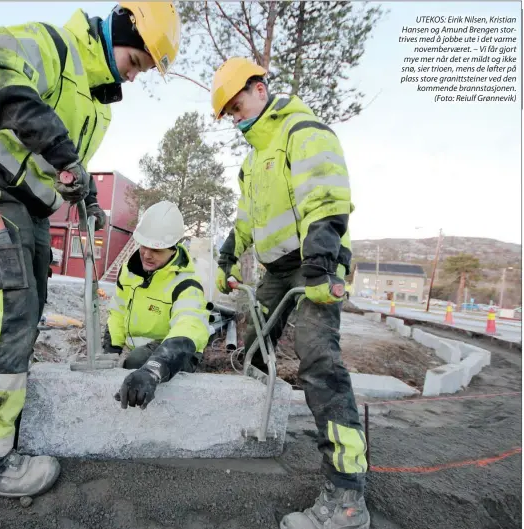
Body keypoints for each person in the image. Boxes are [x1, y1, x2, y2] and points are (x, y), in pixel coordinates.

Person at [0, 2, 181, 498]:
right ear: (123, 30)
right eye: (137, 62)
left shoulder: (97, 104)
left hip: (35, 206)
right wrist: (62, 152)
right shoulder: (54, 45)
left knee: (32, 309)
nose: (136, 75)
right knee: (12, 303)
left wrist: (90, 198)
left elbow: (69, 165)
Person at [211, 57, 370, 529]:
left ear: (259, 88)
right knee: (253, 341)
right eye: (230, 114)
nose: (237, 119)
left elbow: (326, 200)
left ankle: (346, 495)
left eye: (238, 106)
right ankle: (255, 426)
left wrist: (321, 266)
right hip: (278, 268)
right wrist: (226, 252)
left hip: (316, 261)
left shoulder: (304, 132)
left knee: (318, 359)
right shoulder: (253, 158)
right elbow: (246, 218)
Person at [103, 201, 211, 409]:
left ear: (173, 249)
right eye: (144, 246)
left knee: (137, 361)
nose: (147, 254)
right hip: (141, 349)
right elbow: (117, 311)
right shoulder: (130, 272)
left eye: (156, 249)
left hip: (176, 354)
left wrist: (153, 369)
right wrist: (111, 350)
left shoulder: (186, 284)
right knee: (131, 364)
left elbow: (189, 327)